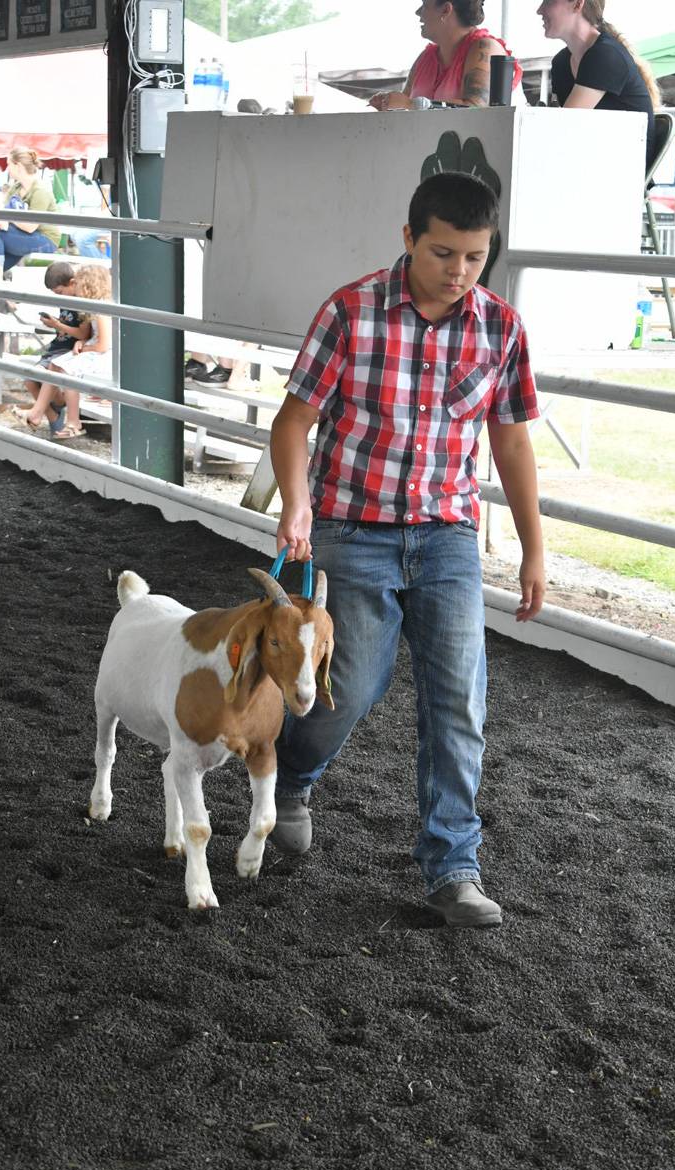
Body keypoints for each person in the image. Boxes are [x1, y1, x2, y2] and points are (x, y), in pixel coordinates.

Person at [269, 172, 545, 929]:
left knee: (459, 698)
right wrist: (297, 504)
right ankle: (290, 773)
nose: (458, 271)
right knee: (348, 687)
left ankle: (454, 865)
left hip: (449, 536)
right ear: (409, 240)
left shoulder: (500, 327)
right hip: (352, 530)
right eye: (443, 252)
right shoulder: (351, 311)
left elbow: (513, 441)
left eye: (475, 257)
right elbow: (293, 422)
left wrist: (533, 549)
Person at [538, 0, 659, 171]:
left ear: (577, 4)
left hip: (620, 176)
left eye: (548, 1)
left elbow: (563, 129)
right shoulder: (561, 63)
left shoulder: (606, 55)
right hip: (591, 167)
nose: (539, 10)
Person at [11, 264, 111, 439]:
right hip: (93, 350)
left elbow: (103, 345)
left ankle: (74, 422)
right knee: (54, 365)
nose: (76, 289)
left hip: (103, 355)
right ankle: (37, 414)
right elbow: (93, 337)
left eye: (78, 285)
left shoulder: (101, 310)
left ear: (87, 285)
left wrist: (83, 346)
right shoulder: (94, 307)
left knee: (65, 369)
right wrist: (82, 342)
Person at [369, 1, 523, 111]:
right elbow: (404, 103)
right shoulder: (425, 57)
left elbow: (477, 108)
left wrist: (411, 104)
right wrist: (387, 104)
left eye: (424, 4)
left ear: (445, 10)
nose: (418, 12)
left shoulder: (486, 48)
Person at [0, 147, 60, 281]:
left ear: (18, 166)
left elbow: (30, 227)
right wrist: (3, 219)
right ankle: (4, 297)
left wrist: (8, 219)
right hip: (24, 235)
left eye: (8, 164)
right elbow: (3, 210)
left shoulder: (40, 190)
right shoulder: (16, 187)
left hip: (45, 239)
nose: (7, 168)